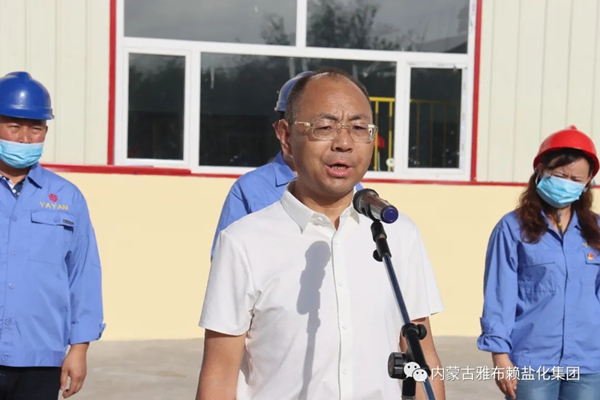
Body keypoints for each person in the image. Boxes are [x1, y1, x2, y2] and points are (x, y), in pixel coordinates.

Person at [196, 68, 446, 400]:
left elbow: (424, 357)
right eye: (325, 127)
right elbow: (219, 377)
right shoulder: (243, 243)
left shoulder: (398, 234)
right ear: (286, 137)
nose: (343, 143)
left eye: (359, 128)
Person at [0, 71, 105, 399]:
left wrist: (79, 348)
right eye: (13, 126)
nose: (25, 139)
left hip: (40, 356)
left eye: (36, 128)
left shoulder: (67, 197)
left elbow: (83, 275)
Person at [477, 125, 600, 400]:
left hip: (589, 362)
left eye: (576, 179)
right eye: (560, 176)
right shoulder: (512, 228)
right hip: (532, 361)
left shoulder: (596, 231)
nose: (567, 184)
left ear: (587, 183)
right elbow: (499, 295)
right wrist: (500, 354)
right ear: (541, 171)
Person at [210, 71, 363, 257]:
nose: (342, 143)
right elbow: (227, 258)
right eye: (323, 127)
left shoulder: (351, 187)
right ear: (284, 132)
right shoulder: (250, 189)